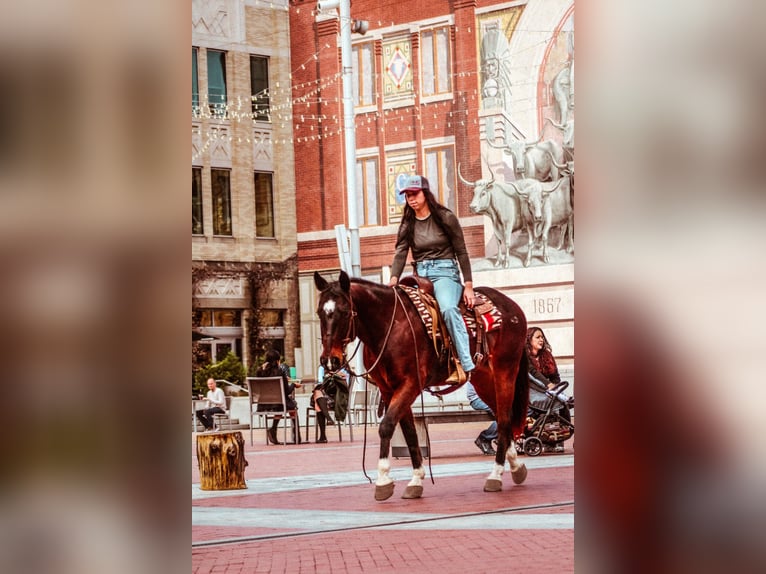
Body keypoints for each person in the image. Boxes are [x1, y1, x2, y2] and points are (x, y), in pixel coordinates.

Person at [388, 174, 476, 384]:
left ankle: (465, 362)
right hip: (420, 276)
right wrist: (393, 279)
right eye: (407, 195)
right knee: (402, 314)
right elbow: (401, 252)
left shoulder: (445, 217)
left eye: (415, 194)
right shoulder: (408, 223)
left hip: (446, 272)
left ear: (426, 194)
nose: (411, 198)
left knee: (447, 308)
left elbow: (461, 251)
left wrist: (469, 285)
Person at [525, 326, 574, 453]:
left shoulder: (546, 355)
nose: (541, 340)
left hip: (550, 389)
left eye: (542, 337)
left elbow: (556, 376)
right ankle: (553, 439)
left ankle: (560, 437)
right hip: (534, 390)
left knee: (561, 403)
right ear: (529, 340)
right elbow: (533, 375)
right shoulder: (524, 357)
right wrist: (548, 385)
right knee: (559, 404)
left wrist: (557, 388)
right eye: (537, 337)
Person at [256, 349, 302, 445]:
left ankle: (273, 430)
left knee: (282, 405)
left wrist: (261, 369)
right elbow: (286, 391)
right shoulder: (280, 372)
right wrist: (293, 385)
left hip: (264, 404)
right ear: (277, 360)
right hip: (278, 402)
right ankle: (296, 436)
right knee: (292, 406)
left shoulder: (260, 372)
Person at [312, 365, 350, 443]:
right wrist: (328, 377)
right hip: (326, 398)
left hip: (337, 399)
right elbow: (322, 384)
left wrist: (335, 376)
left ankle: (323, 436)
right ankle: (328, 418)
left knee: (317, 399)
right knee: (318, 396)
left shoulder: (345, 370)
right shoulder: (323, 369)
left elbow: (344, 387)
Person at [466, 380, 497, 456]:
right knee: (502, 414)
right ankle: (484, 438)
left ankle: (498, 435)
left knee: (507, 414)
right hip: (477, 399)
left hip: (486, 397)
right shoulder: (478, 369)